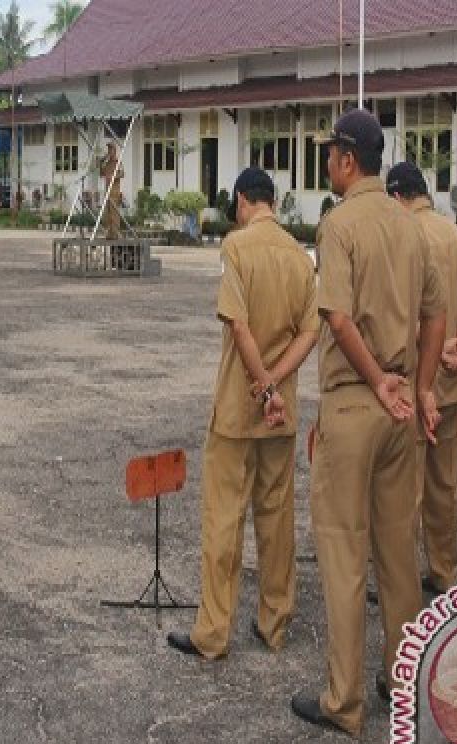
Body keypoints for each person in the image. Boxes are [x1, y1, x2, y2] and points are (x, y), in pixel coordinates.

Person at [289, 109, 445, 736]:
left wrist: (378, 379)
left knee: (343, 551)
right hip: (402, 405)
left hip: (357, 400)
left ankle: (344, 701)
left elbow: (338, 316)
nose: (328, 162)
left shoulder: (340, 223)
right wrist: (420, 385)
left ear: (348, 159)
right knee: (398, 557)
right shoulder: (410, 227)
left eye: (331, 153)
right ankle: (402, 684)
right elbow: (436, 316)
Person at [166, 167, 318, 661]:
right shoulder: (300, 256)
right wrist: (276, 385)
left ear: (241, 200)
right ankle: (274, 622)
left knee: (224, 519)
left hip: (239, 407)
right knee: (276, 518)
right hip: (281, 412)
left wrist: (259, 383)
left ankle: (214, 630)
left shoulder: (237, 247)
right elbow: (309, 332)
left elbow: (240, 327)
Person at [386, 162, 457, 595]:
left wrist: (434, 348)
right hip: (451, 386)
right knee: (445, 486)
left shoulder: (401, 238)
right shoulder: (455, 235)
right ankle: (445, 573)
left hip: (412, 385)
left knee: (404, 490)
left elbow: (396, 315)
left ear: (395, 198)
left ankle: (402, 579)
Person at [100, 142, 124, 240]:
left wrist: (113, 177)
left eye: (111, 149)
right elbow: (101, 173)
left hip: (115, 191)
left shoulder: (118, 162)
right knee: (107, 214)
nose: (109, 151)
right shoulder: (107, 163)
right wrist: (101, 161)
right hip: (107, 191)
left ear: (115, 150)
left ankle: (116, 234)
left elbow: (122, 173)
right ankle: (109, 234)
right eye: (108, 149)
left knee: (114, 214)